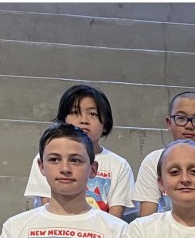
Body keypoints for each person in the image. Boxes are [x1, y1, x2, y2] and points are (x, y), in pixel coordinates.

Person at [23, 84, 134, 217]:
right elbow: (47, 204)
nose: (84, 120)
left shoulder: (119, 165)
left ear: (105, 124)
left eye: (92, 114)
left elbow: (115, 218)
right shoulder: (48, 158)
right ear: (63, 121)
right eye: (75, 113)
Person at [132, 91, 195, 217]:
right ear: (169, 123)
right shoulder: (152, 161)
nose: (189, 126)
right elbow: (146, 218)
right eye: (181, 118)